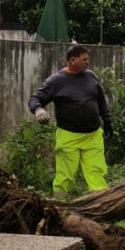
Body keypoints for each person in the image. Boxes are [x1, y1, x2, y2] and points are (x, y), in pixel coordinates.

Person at [28, 44, 113, 199]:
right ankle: (59, 207)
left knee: (96, 173)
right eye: (84, 59)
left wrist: (107, 121)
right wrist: (38, 110)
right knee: (64, 177)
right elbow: (35, 98)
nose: (88, 62)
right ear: (73, 61)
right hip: (69, 137)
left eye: (88, 59)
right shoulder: (56, 81)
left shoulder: (91, 76)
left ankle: (103, 206)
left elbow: (101, 100)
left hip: (93, 136)